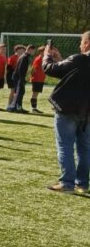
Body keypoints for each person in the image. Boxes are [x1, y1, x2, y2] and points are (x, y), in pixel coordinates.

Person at [42, 33, 90, 193]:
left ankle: (67, 183)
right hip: (87, 112)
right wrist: (60, 59)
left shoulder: (78, 59)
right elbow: (73, 73)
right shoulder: (79, 61)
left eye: (82, 42)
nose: (80, 45)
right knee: (85, 148)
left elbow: (49, 69)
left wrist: (47, 56)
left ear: (87, 43)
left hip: (68, 109)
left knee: (65, 146)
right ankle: (82, 184)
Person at [8, 45, 31, 112]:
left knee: (16, 91)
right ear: (17, 50)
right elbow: (9, 68)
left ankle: (13, 106)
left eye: (24, 50)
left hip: (18, 76)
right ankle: (10, 105)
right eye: (22, 50)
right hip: (14, 76)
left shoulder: (22, 56)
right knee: (14, 91)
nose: (23, 51)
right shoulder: (13, 57)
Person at [30, 45, 47, 112]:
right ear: (41, 52)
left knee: (36, 93)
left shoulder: (44, 59)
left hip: (41, 79)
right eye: (44, 51)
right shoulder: (38, 59)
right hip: (36, 79)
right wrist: (33, 77)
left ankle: (34, 108)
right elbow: (33, 69)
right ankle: (33, 108)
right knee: (35, 93)